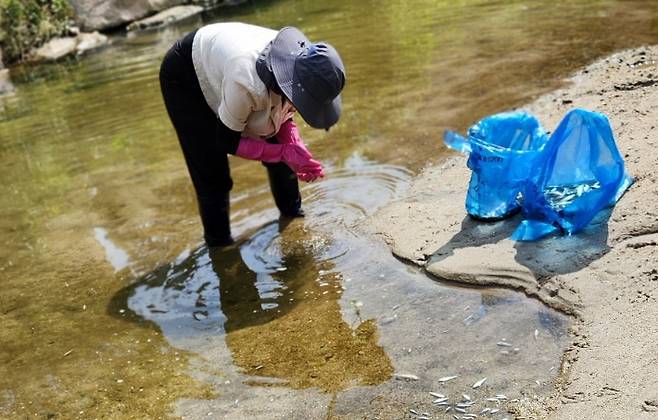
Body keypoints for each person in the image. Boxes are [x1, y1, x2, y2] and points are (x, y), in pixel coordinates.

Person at [159, 22, 346, 247]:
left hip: (229, 63)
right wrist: (283, 153)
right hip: (186, 76)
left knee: (279, 154)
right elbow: (227, 141)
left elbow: (285, 114)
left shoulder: (303, 65)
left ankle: (293, 215)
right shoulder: (247, 83)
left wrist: (294, 147)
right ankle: (221, 250)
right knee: (213, 176)